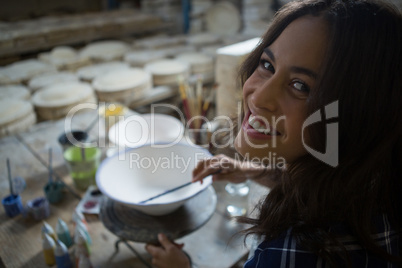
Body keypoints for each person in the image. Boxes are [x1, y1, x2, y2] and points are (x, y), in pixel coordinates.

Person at [145, 0, 402, 267]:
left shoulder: (291, 253)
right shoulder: (378, 178)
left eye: (301, 85)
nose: (259, 97)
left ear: (359, 115)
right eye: (267, 65)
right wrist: (251, 170)